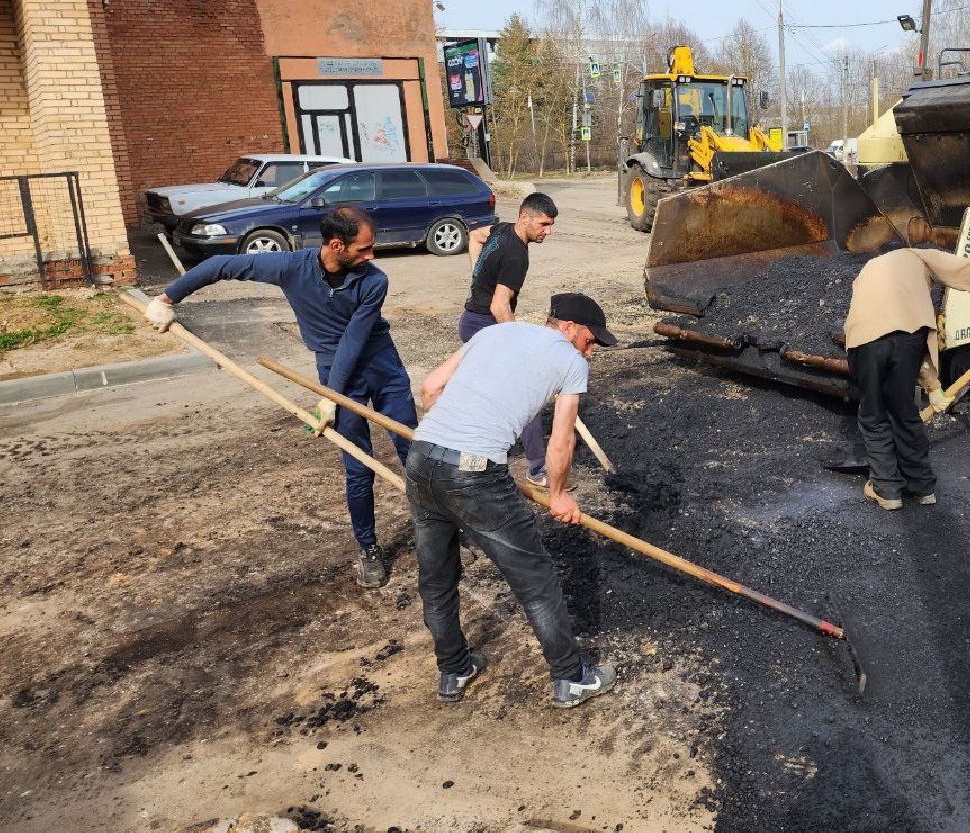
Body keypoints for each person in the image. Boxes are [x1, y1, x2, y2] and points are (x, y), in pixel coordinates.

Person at [145, 205, 413, 588]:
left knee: (413, 454)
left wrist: (327, 397)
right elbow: (221, 265)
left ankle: (439, 533)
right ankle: (367, 547)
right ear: (336, 245)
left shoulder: (374, 281)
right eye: (363, 249)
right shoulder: (291, 267)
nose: (371, 256)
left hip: (382, 367)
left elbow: (355, 339)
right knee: (358, 465)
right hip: (335, 373)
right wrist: (168, 299)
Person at [407, 292, 618, 707]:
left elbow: (431, 387)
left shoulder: (494, 333)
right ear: (569, 328)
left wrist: (439, 440)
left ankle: (454, 668)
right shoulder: (571, 362)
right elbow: (562, 439)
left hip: (421, 457)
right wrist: (558, 495)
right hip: (474, 472)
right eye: (592, 341)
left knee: (436, 578)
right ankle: (572, 678)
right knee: (536, 580)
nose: (592, 351)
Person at [844, 248, 970, 511]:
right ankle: (922, 487)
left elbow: (869, 323)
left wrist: (934, 385)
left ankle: (887, 490)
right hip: (909, 336)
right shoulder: (917, 257)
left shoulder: (866, 271)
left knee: (873, 415)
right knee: (905, 411)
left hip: (863, 340)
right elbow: (969, 270)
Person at [459, 192, 559, 488]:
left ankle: (471, 460)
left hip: (471, 322)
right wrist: (519, 348)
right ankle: (538, 468)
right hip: (485, 325)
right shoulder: (517, 255)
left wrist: (479, 276)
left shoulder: (501, 229)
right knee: (525, 394)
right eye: (543, 224)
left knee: (487, 395)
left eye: (551, 225)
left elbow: (475, 236)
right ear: (524, 217)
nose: (548, 232)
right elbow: (499, 306)